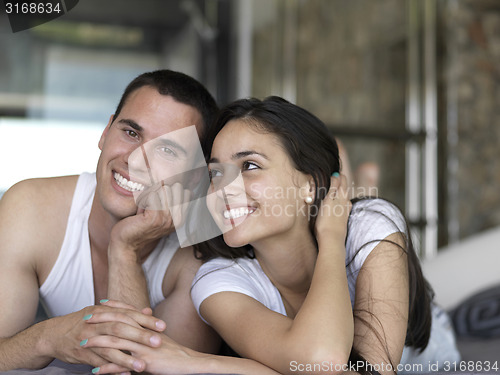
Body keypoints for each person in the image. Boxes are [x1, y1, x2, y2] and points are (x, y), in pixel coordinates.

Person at [83, 96, 460, 375]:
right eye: (215, 174)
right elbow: (323, 364)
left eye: (249, 166)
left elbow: (359, 371)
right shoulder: (217, 280)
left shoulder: (368, 223)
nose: (226, 188)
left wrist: (194, 363)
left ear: (310, 184)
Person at [0, 69, 223, 372]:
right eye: (131, 133)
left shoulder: (199, 259)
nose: (136, 159)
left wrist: (125, 249)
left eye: (167, 150)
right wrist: (47, 337)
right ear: (106, 132)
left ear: (195, 177)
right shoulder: (30, 208)